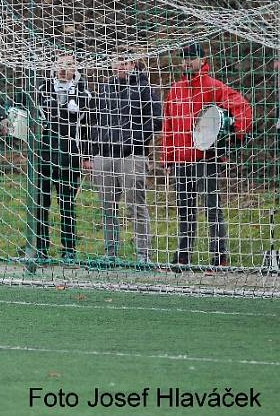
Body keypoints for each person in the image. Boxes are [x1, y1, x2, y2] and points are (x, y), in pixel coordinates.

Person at [161, 43, 253, 269]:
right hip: (181, 160)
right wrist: (168, 157)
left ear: (203, 61)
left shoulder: (214, 87)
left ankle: (219, 256)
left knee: (212, 208)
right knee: (185, 210)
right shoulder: (175, 89)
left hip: (206, 158)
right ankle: (183, 256)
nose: (186, 62)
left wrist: (238, 131)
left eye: (191, 57)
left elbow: (242, 106)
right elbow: (169, 126)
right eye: (183, 58)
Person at [87, 54, 162, 264]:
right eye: (117, 61)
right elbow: (92, 120)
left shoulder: (145, 88)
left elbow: (157, 121)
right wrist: (94, 148)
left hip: (132, 155)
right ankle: (111, 254)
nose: (120, 66)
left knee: (135, 206)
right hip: (104, 155)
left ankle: (143, 255)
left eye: (125, 62)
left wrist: (134, 138)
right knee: (107, 206)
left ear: (133, 64)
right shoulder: (103, 88)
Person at [30, 53, 94, 261]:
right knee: (41, 202)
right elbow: (43, 114)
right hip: (46, 152)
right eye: (59, 65)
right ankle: (41, 248)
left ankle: (69, 249)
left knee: (67, 204)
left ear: (75, 68)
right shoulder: (43, 87)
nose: (63, 69)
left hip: (69, 152)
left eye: (68, 65)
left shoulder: (83, 90)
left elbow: (85, 121)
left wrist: (86, 155)